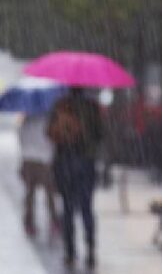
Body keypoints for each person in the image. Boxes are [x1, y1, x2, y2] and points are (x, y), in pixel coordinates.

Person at [47, 87, 104, 269]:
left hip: (64, 161)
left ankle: (70, 253)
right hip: (86, 162)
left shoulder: (60, 105)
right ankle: (91, 251)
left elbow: (49, 132)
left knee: (68, 208)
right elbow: (101, 134)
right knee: (87, 208)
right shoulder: (92, 106)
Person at [18, 113, 59, 238]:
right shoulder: (48, 121)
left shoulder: (25, 122)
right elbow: (53, 141)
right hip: (44, 160)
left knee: (30, 193)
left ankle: (29, 222)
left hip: (28, 160)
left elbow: (21, 139)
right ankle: (53, 221)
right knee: (50, 193)